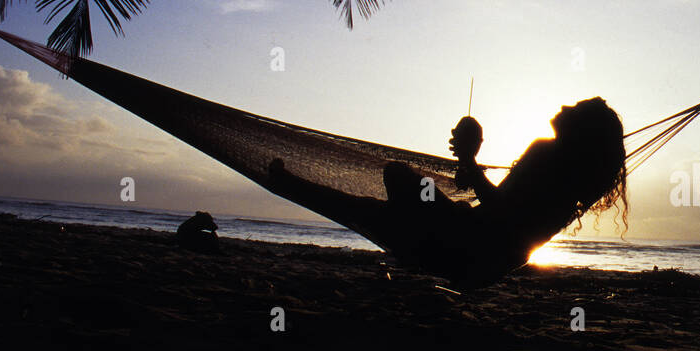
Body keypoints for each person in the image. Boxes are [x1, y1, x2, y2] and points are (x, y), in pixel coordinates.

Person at [266, 97, 627, 287]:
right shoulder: (576, 181)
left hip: (466, 241)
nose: (564, 107)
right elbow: (511, 209)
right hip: (484, 255)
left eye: (574, 109)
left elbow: (503, 210)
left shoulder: (548, 156)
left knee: (395, 180)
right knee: (382, 206)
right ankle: (406, 236)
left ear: (581, 129)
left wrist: (470, 160)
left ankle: (407, 238)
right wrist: (471, 172)